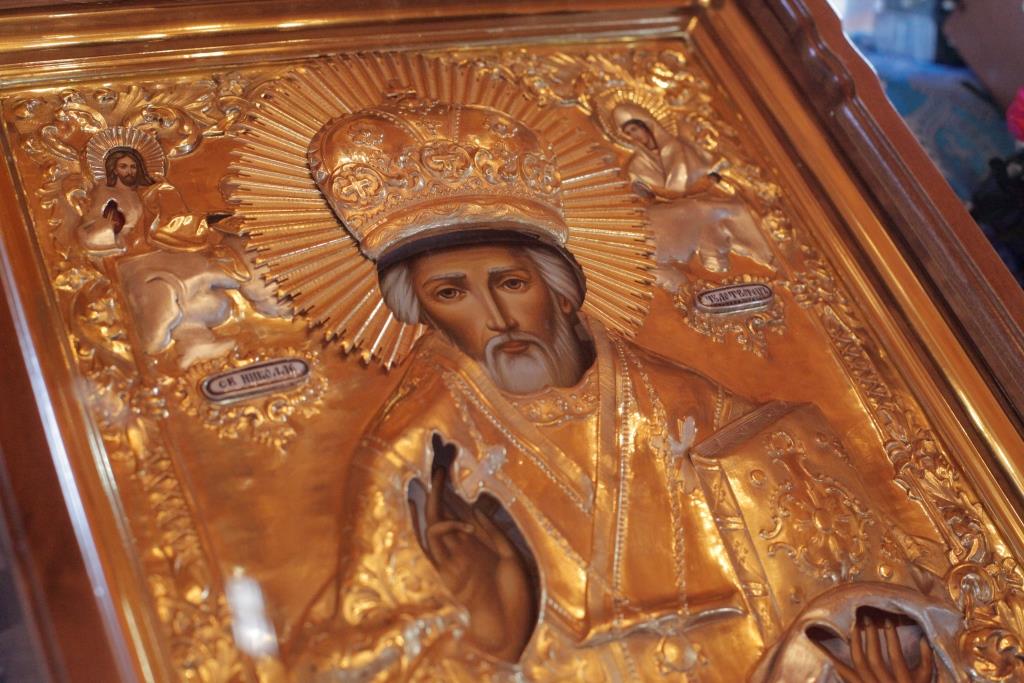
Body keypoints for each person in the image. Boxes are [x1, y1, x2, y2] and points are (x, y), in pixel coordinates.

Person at [286, 97, 958, 681]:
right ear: (423, 315)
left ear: (561, 290)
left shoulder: (699, 410)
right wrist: (491, 640)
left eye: (511, 283)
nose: (495, 317)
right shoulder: (410, 462)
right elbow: (353, 657)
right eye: (450, 293)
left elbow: (864, 595)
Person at [76, 134, 286, 368]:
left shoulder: (158, 190)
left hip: (173, 248)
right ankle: (193, 340)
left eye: (133, 166)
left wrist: (201, 221)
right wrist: (113, 226)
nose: (129, 171)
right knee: (178, 288)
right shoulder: (106, 194)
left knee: (226, 265)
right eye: (123, 166)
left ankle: (269, 300)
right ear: (112, 168)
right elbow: (90, 231)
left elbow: (177, 219)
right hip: (138, 259)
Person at [614, 103, 776, 275]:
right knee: (696, 209)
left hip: (698, 198)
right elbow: (645, 195)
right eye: (629, 133)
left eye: (635, 129)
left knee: (734, 209)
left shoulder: (678, 147)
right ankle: (712, 260)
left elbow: (709, 173)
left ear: (646, 125)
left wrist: (704, 183)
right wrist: (664, 196)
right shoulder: (636, 165)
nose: (634, 136)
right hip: (667, 209)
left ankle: (762, 255)